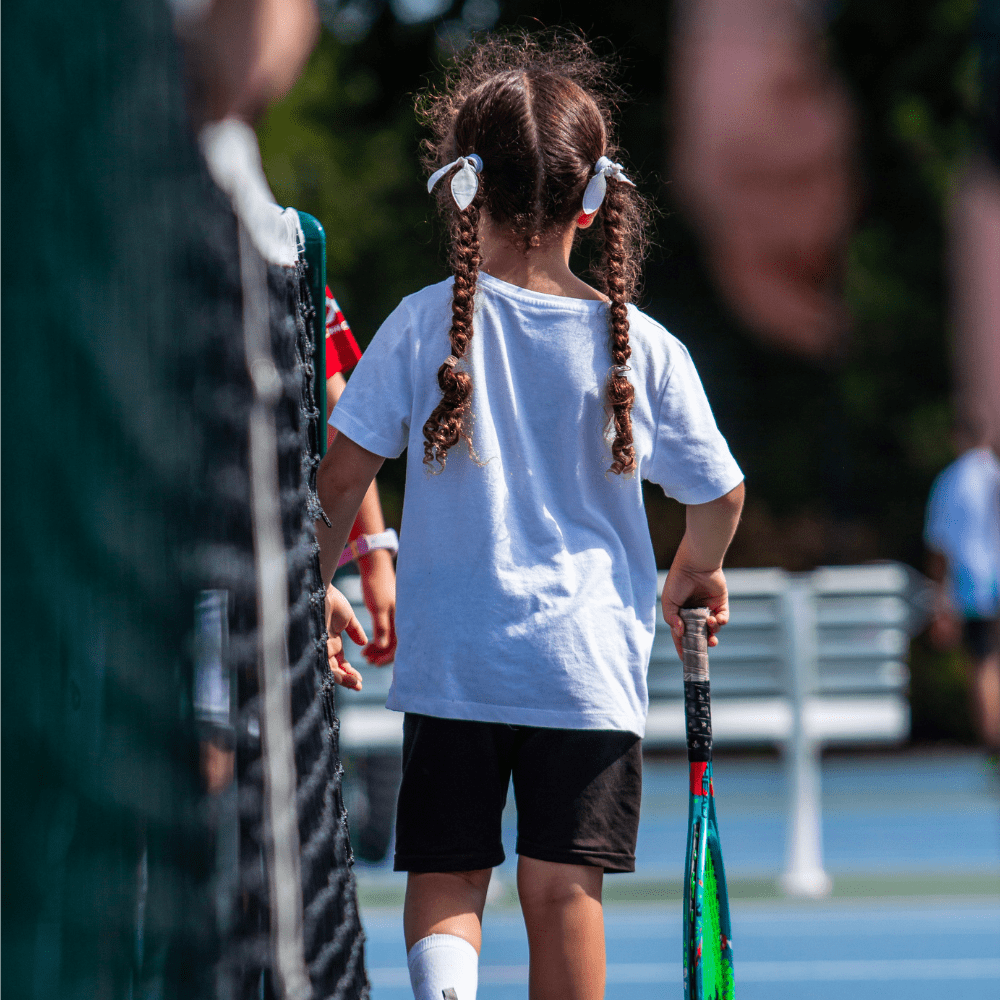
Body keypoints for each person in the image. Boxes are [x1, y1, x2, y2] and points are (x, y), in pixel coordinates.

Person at [316, 34, 745, 1000]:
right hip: (586, 667)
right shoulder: (647, 349)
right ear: (595, 201)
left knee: (448, 876)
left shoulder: (422, 323)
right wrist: (695, 570)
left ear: (461, 188)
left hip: (455, 662)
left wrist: (310, 583)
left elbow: (340, 478)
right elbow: (718, 494)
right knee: (563, 893)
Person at [324, 287, 399, 670]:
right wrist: (374, 557)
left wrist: (373, 555)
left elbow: (337, 418)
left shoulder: (285, 251)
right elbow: (339, 419)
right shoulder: (285, 247)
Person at [924, 415, 1000, 749]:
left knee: (983, 667)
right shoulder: (994, 474)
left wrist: (939, 601)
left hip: (975, 588)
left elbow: (940, 547)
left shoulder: (952, 481)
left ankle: (994, 745)